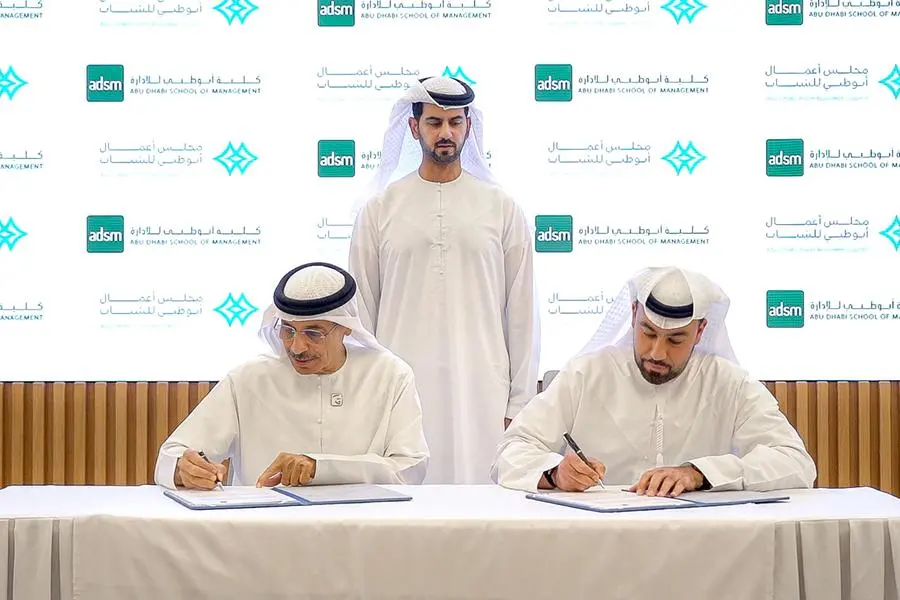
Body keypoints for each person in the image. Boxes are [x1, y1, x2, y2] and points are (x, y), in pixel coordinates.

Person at [348, 75, 540, 484]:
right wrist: (367, 398)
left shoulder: (502, 208)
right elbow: (361, 314)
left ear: (469, 126)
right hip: (400, 388)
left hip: (482, 389)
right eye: (435, 123)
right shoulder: (380, 209)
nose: (446, 133)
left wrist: (521, 401)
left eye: (455, 121)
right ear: (414, 127)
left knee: (483, 511)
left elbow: (523, 313)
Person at [492, 266, 817, 496]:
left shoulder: (729, 384)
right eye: (648, 333)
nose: (657, 352)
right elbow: (511, 452)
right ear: (633, 314)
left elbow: (795, 463)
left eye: (675, 340)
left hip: (701, 547)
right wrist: (554, 474)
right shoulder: (586, 374)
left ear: (700, 331)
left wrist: (699, 474)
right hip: (595, 545)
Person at [154, 262, 429, 490]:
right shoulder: (250, 379)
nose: (297, 347)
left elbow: (409, 469)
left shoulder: (389, 375)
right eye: (288, 331)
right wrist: (183, 470)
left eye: (313, 333)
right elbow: (173, 454)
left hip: (361, 531)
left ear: (346, 328)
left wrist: (320, 468)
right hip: (267, 533)